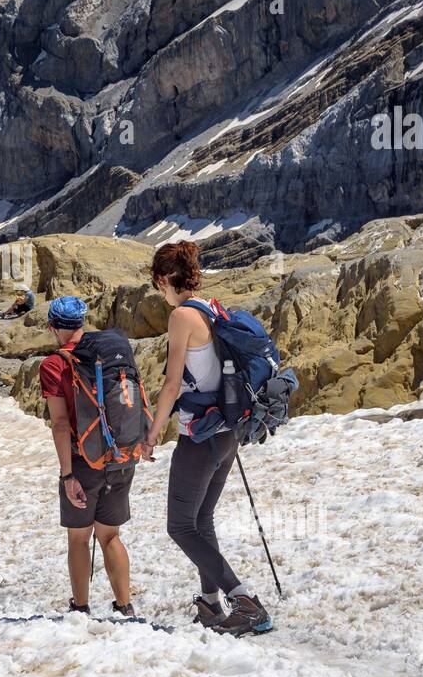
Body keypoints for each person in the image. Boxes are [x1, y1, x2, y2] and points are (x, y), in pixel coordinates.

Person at [140, 241, 272, 636]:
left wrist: (151, 436)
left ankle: (244, 602)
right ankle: (213, 604)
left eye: (158, 286)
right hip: (227, 431)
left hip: (199, 435)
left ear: (165, 279)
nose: (160, 295)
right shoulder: (212, 309)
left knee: (180, 527)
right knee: (201, 520)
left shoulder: (181, 316)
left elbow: (171, 384)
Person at [38, 295, 135, 617]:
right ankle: (125, 606)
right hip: (121, 457)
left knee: (79, 539)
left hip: (83, 460)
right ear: (81, 323)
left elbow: (61, 423)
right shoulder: (108, 353)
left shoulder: (54, 365)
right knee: (110, 535)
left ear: (53, 327)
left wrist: (67, 475)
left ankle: (80, 606)